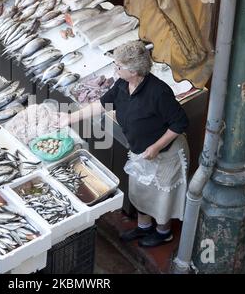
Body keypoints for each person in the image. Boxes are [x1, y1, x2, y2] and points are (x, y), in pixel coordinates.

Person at [56, 40, 189, 247]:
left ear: (134, 71)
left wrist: (155, 147)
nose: (115, 69)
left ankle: (164, 232)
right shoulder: (122, 84)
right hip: (140, 151)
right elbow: (102, 105)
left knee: (161, 196)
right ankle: (144, 227)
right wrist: (70, 118)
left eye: (119, 66)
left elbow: (180, 123)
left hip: (165, 154)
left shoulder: (159, 92)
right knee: (140, 191)